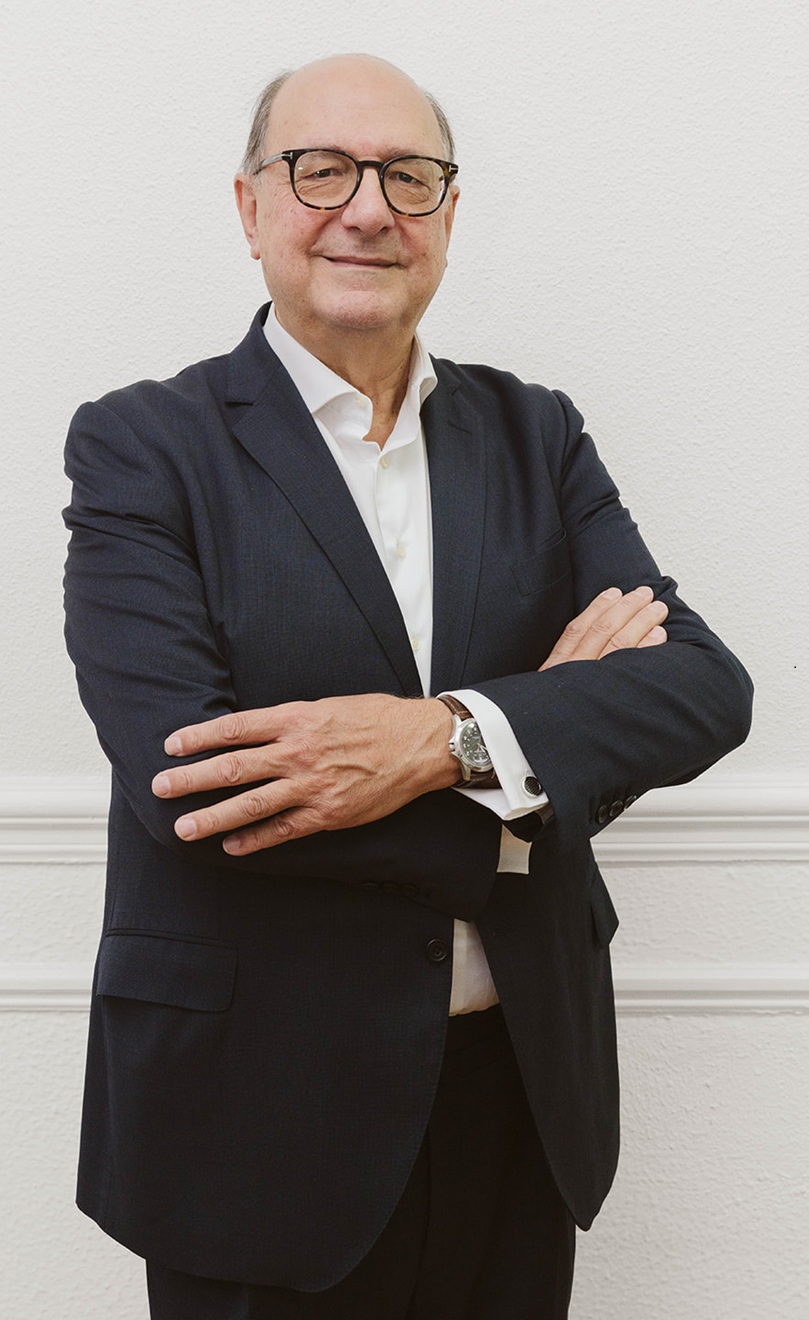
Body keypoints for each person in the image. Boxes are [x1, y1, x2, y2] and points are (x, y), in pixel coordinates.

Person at [63, 53, 752, 1320]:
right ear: (250, 207)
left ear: (447, 210)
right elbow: (192, 790)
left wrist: (443, 739)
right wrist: (527, 777)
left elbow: (704, 689)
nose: (369, 209)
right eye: (320, 170)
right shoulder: (143, 445)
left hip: (518, 1089)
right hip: (257, 1113)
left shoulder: (537, 433)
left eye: (409, 176)